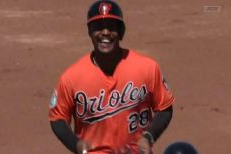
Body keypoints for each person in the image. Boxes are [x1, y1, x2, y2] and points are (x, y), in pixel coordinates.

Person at [49, 0, 175, 154]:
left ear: (121, 32)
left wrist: (149, 137)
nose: (105, 32)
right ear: (90, 32)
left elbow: (164, 107)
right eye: (98, 27)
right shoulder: (71, 78)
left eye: (111, 26)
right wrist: (76, 144)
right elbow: (58, 118)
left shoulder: (147, 68)